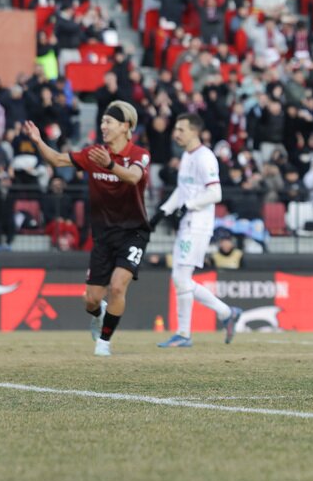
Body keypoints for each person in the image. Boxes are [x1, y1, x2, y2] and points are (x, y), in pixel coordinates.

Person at [25, 101, 150, 357]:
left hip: (133, 232)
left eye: (109, 122)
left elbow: (133, 177)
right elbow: (58, 160)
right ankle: (99, 315)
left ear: (125, 126)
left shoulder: (138, 154)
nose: (103, 126)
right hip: (103, 236)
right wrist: (39, 142)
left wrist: (110, 166)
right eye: (103, 121)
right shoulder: (94, 153)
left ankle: (104, 341)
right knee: (91, 299)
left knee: (117, 287)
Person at [150, 113, 242, 347]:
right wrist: (162, 212)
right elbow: (182, 191)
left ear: (195, 131)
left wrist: (187, 207)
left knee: (181, 278)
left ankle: (184, 334)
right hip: (187, 223)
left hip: (198, 224)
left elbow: (215, 194)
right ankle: (225, 313)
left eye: (181, 129)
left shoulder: (205, 157)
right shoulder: (186, 157)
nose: (176, 134)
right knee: (181, 278)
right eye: (176, 129)